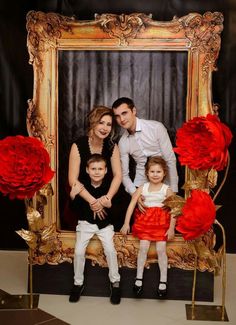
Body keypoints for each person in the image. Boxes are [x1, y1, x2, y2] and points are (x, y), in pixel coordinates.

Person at [69, 154, 121, 304]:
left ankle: (115, 283)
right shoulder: (82, 187)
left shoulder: (109, 187)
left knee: (110, 250)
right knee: (78, 251)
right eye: (93, 169)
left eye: (100, 169)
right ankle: (78, 283)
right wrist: (73, 195)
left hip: (105, 225)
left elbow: (117, 211)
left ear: (105, 171)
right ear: (87, 170)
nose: (97, 172)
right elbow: (75, 209)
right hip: (85, 223)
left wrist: (109, 205)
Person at [120, 156, 175, 298]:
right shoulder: (142, 188)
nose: (155, 174)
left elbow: (175, 209)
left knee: (161, 249)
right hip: (146, 222)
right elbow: (132, 204)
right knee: (143, 247)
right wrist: (126, 223)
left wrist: (171, 228)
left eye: (158, 171)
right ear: (147, 173)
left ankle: (163, 280)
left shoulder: (166, 189)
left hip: (162, 223)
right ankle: (138, 278)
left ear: (164, 173)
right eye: (152, 171)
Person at [112, 97, 178, 204]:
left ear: (134, 111)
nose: (122, 119)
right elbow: (124, 174)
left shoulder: (156, 128)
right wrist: (134, 194)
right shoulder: (123, 142)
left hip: (164, 182)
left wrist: (173, 191)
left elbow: (170, 160)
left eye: (124, 113)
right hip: (141, 186)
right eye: (117, 116)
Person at [68, 105, 122, 227]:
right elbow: (72, 180)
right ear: (93, 123)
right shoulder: (78, 145)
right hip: (85, 194)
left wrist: (105, 200)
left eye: (109, 124)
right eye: (101, 123)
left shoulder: (112, 146)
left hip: (107, 193)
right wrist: (93, 202)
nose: (105, 128)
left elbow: (118, 176)